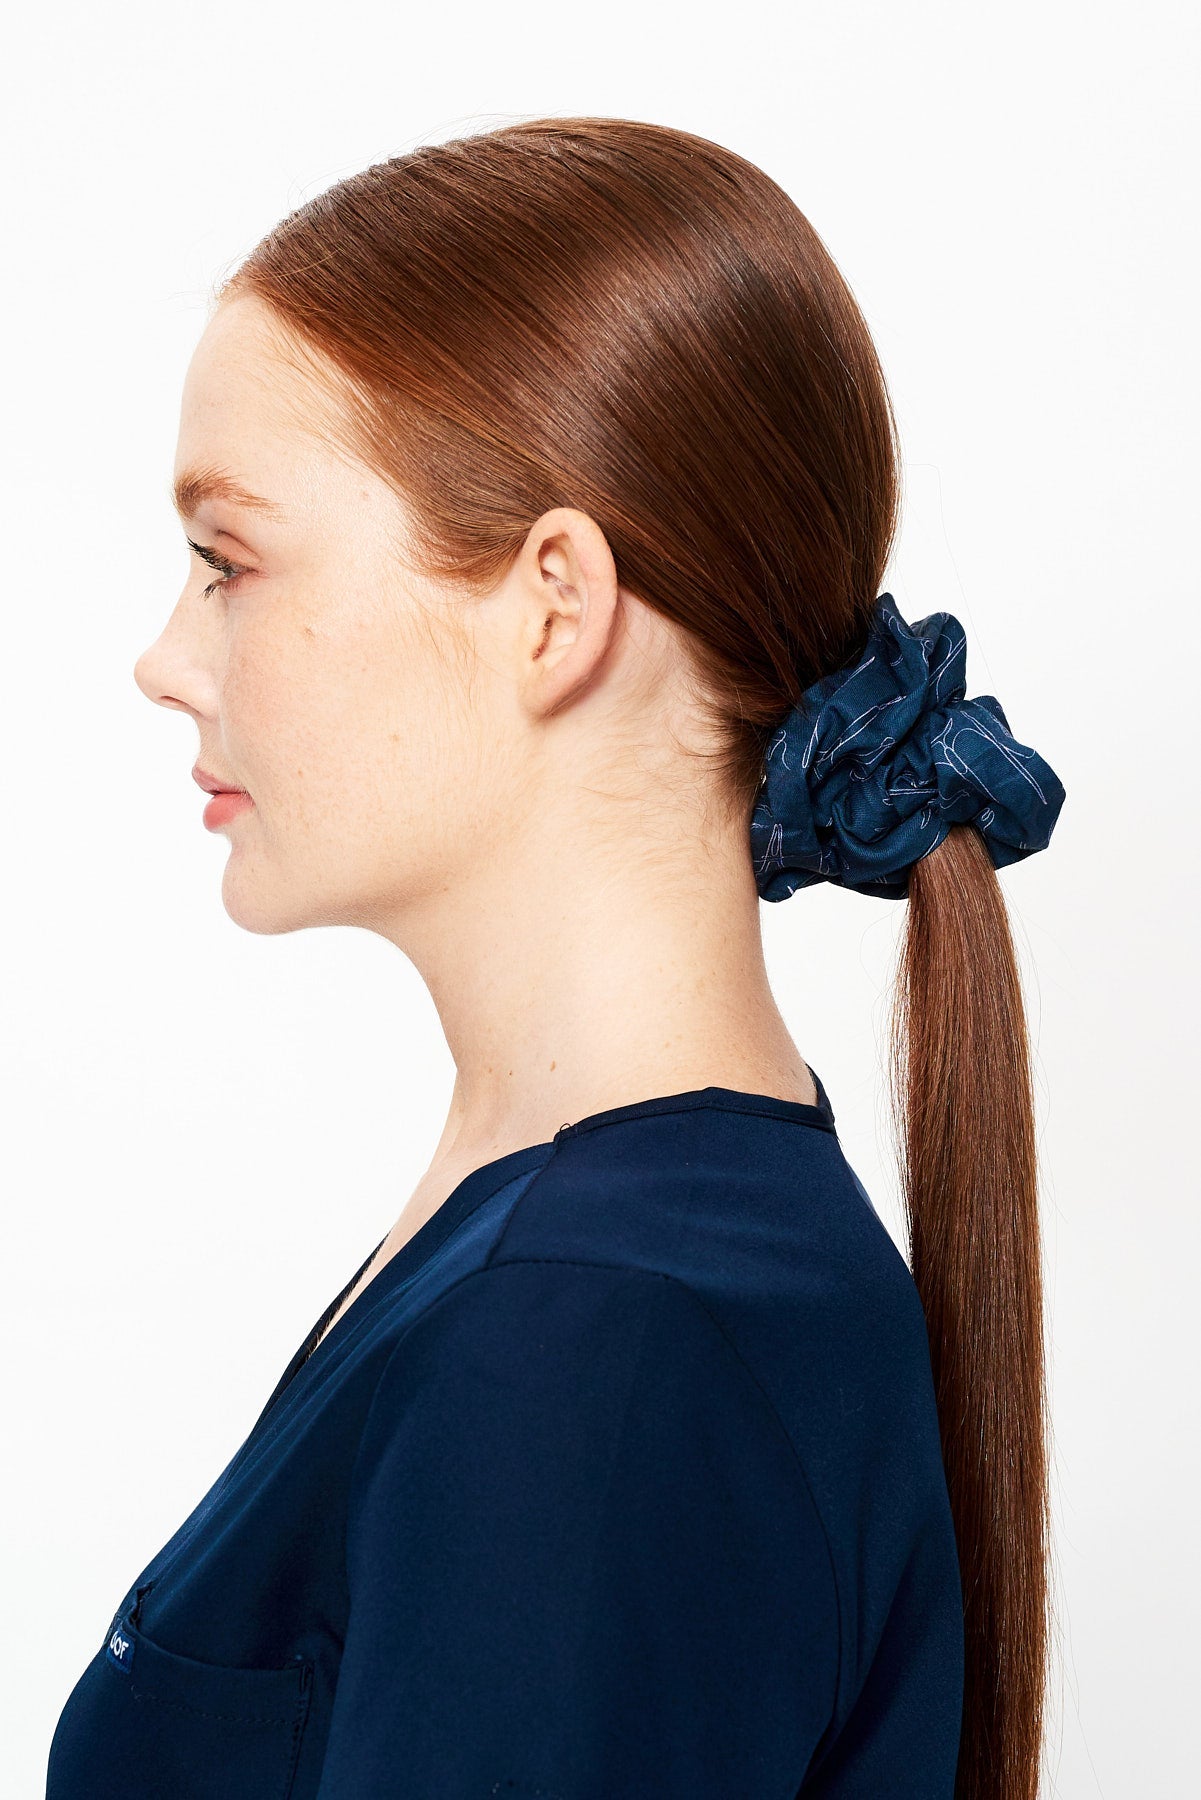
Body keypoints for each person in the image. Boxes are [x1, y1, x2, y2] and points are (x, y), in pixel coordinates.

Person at [46, 117, 1065, 1800]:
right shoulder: (606, 1259)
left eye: (228, 561)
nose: (166, 657)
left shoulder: (595, 1340)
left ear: (551, 607)